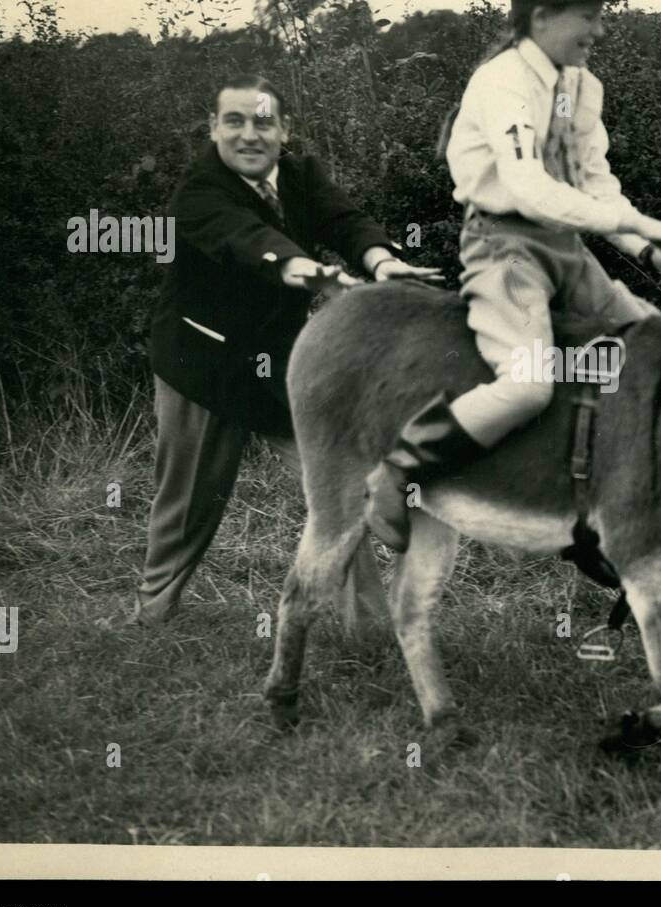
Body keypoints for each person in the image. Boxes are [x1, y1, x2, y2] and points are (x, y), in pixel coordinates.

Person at [365, 0, 661, 553]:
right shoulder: (500, 83)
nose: (599, 30)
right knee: (527, 384)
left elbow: (596, 189)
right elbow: (530, 191)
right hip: (502, 250)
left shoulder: (583, 89)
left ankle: (619, 516)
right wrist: (656, 227)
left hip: (566, 251)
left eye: (601, 14)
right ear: (541, 16)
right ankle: (398, 472)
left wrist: (650, 251)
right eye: (588, 14)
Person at [130, 74, 440, 625]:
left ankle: (367, 630)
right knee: (189, 503)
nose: (250, 135)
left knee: (342, 488)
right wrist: (305, 270)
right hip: (202, 365)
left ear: (284, 129)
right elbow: (249, 240)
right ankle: (152, 614)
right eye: (235, 121)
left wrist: (381, 262)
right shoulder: (199, 191)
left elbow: (345, 221)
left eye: (263, 121)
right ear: (213, 128)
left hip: (285, 365)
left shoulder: (301, 175)